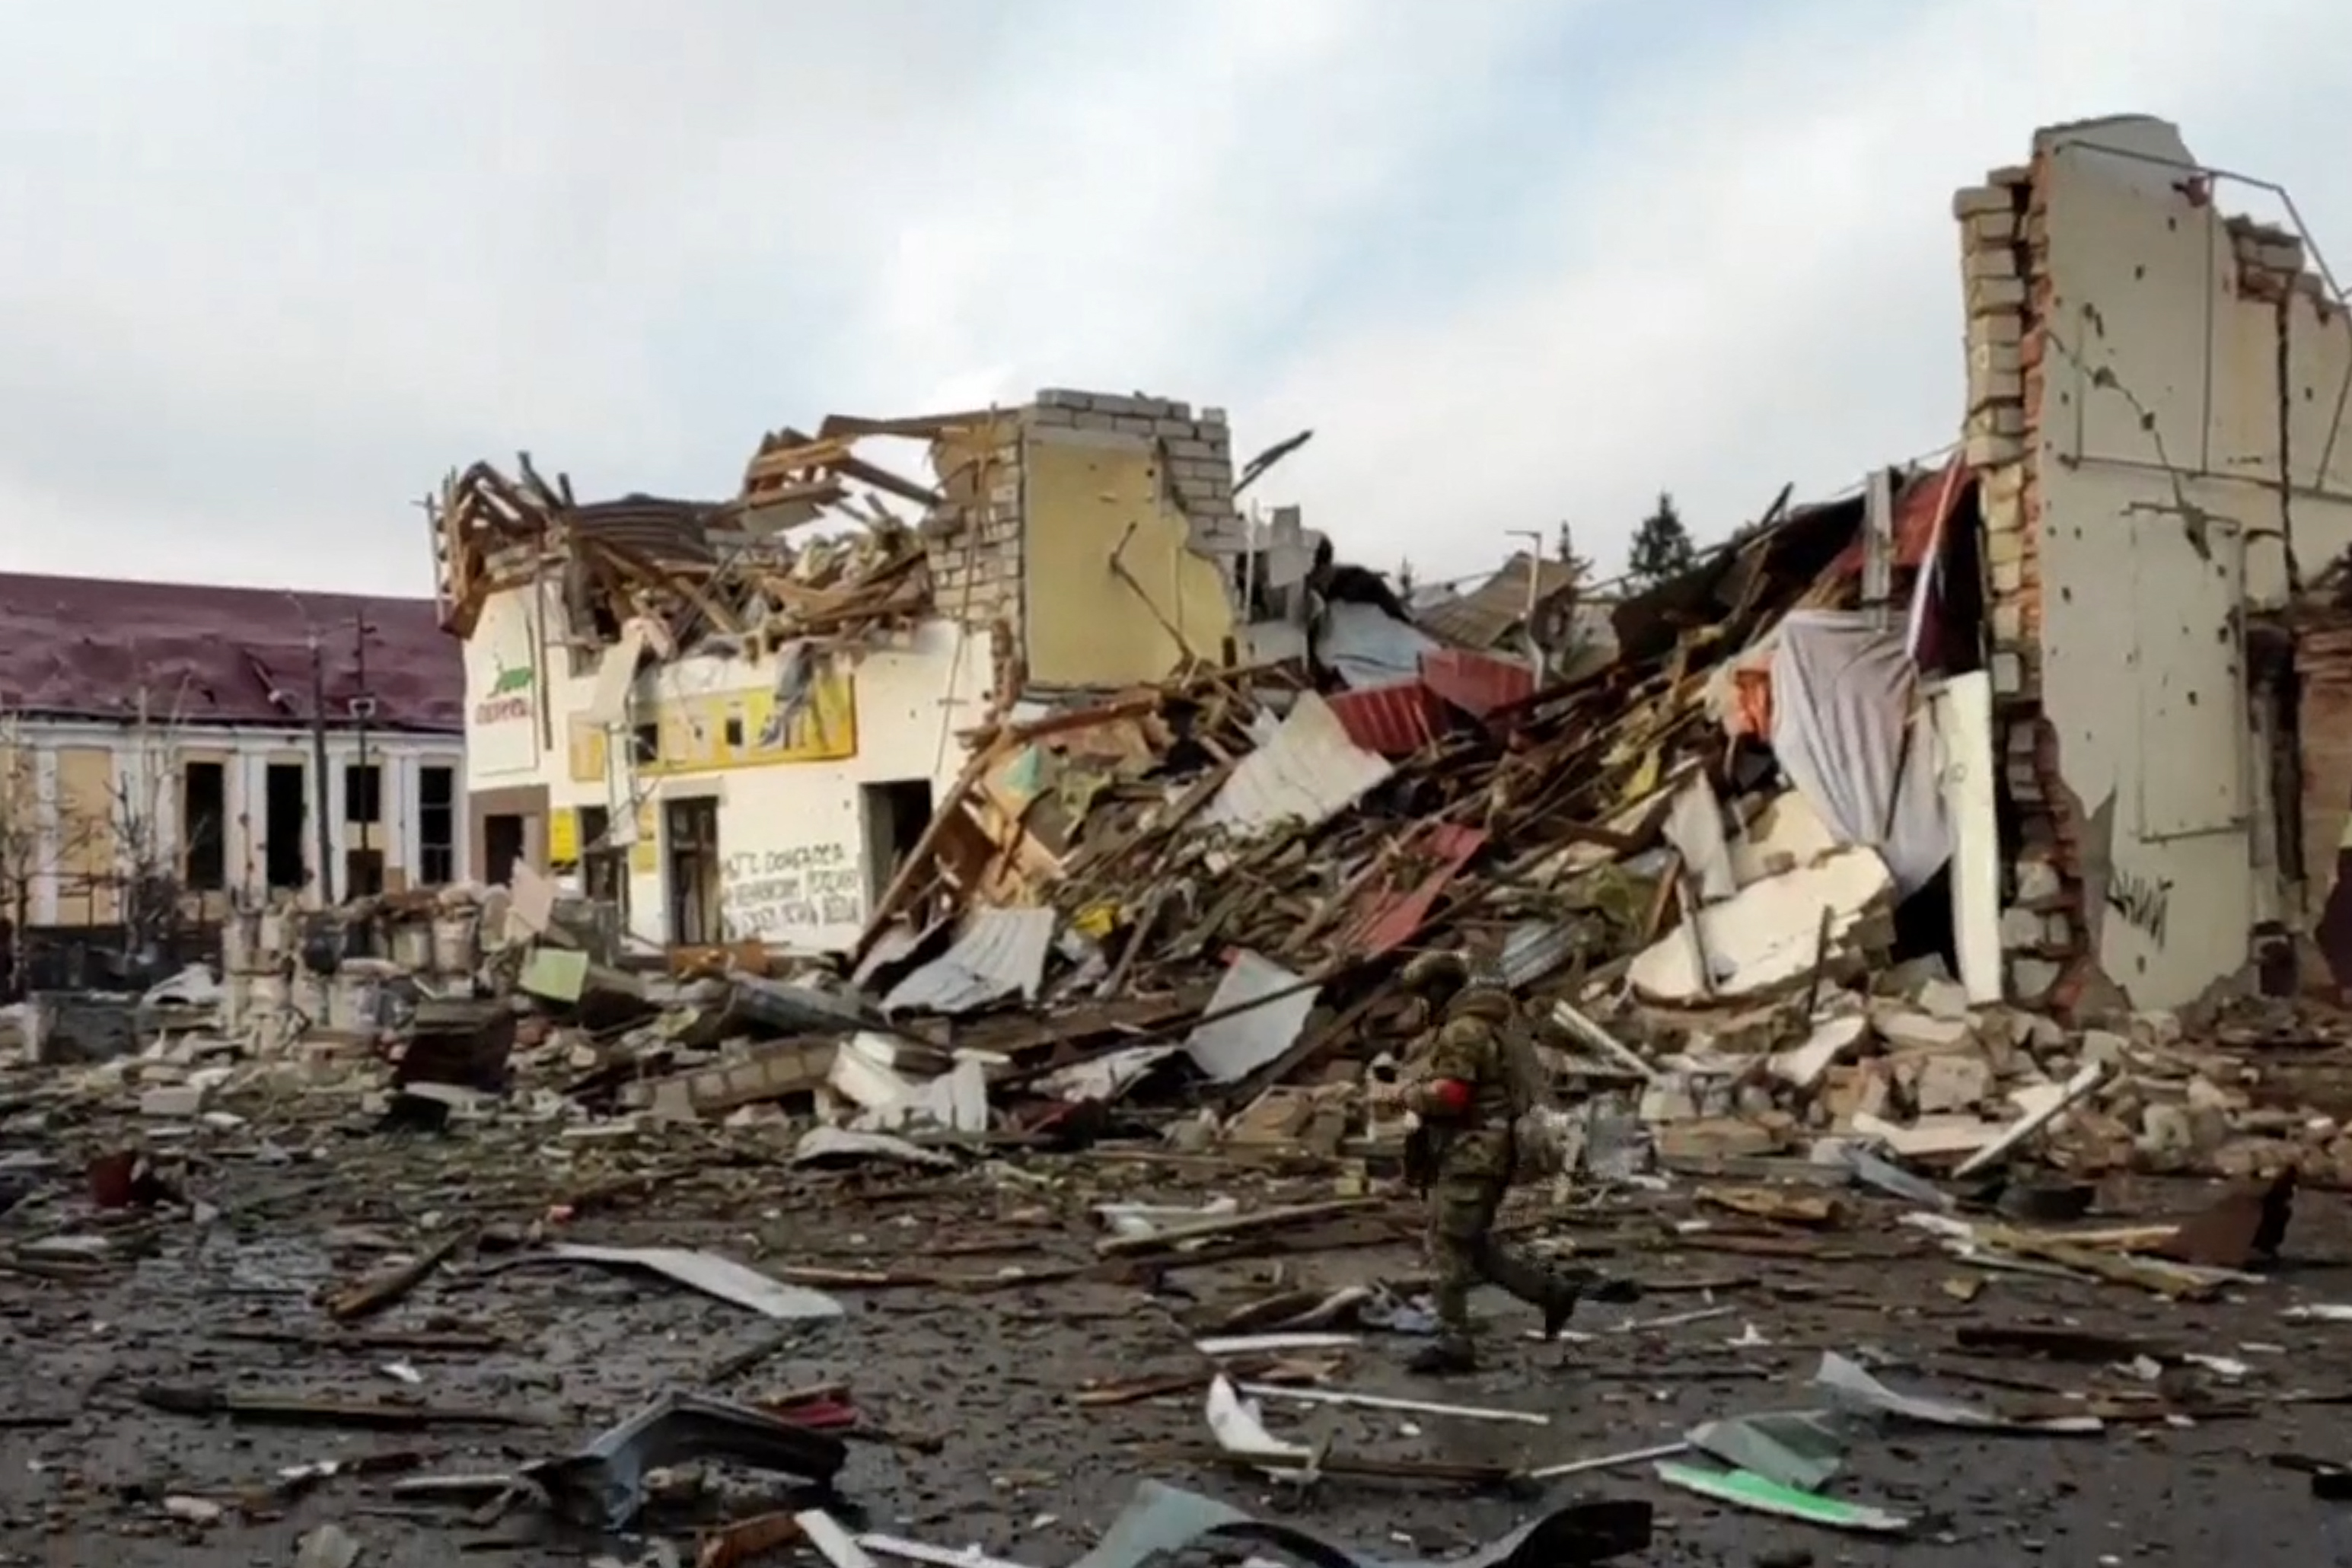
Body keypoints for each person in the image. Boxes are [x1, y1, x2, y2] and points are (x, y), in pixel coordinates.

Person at [1372, 949, 1629, 1374]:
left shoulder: (1463, 1031)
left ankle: (1455, 1343)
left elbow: (1452, 1096)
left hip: (1470, 1152)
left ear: (1433, 995)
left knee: (1446, 1246)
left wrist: (1403, 1095)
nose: (1413, 1009)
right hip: (1476, 1150)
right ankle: (1550, 1293)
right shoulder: (1478, 1025)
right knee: (1468, 1244)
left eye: (1417, 998)